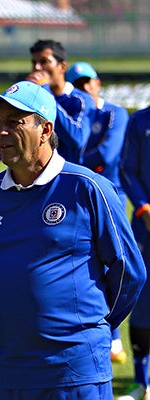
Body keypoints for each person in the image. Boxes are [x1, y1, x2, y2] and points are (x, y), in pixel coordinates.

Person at [0, 80, 146, 399]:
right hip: (5, 370)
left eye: (14, 122)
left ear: (45, 129)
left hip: (74, 372)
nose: (1, 132)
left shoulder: (88, 188)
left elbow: (129, 272)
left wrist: (89, 327)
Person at [66, 60, 131, 365]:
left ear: (97, 82)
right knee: (79, 261)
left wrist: (70, 162)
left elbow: (107, 155)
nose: (83, 90)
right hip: (74, 195)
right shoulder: (70, 115)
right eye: (76, 85)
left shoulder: (114, 113)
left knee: (112, 264)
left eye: (87, 83)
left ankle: (112, 334)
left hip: (109, 196)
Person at [0, 39, 96, 170]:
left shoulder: (81, 99)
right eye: (34, 62)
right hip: (34, 176)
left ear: (62, 66)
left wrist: (45, 91)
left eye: (44, 62)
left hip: (69, 177)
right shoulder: (32, 97)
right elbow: (16, 127)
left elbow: (77, 140)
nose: (37, 67)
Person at [118, 104, 150, 400]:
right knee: (141, 302)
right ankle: (143, 382)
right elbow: (127, 169)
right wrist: (143, 207)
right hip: (145, 227)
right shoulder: (140, 121)